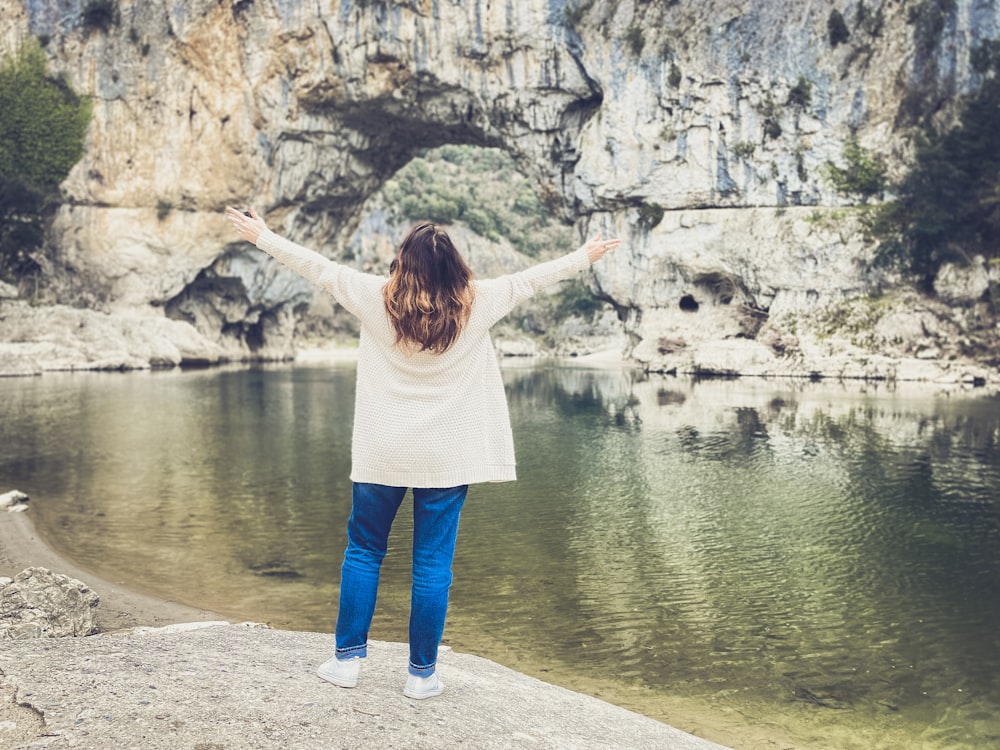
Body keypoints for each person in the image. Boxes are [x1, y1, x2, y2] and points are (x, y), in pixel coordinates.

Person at [225, 206, 621, 699]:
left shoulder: (374, 297)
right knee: (432, 565)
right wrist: (586, 256)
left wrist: (263, 236)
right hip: (446, 456)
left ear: (401, 263)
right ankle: (421, 675)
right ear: (454, 265)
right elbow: (532, 280)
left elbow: (318, 267)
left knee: (364, 550)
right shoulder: (480, 301)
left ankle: (347, 662)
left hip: (382, 450)